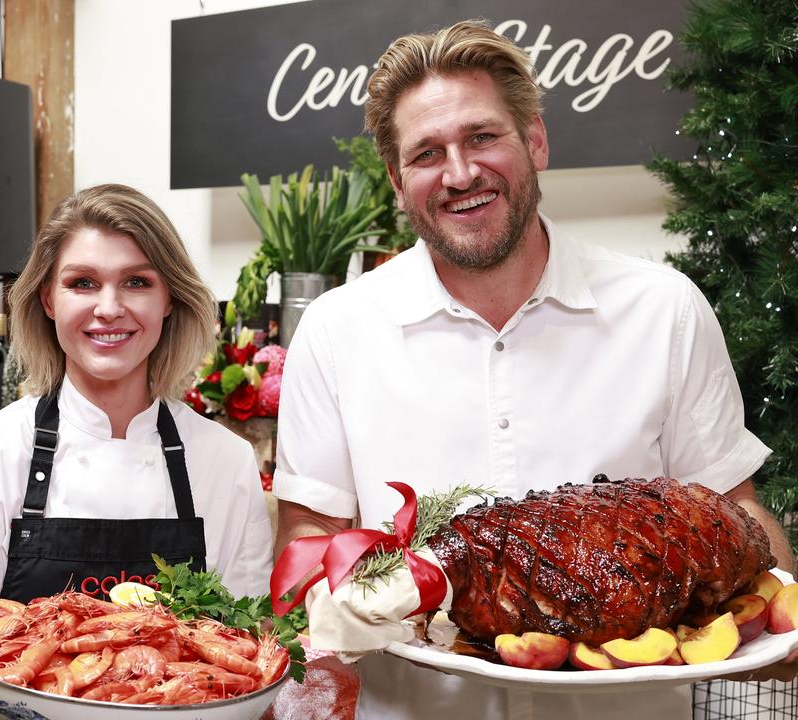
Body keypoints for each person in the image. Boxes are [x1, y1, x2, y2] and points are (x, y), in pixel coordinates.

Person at [273, 19, 795, 720]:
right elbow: (308, 540)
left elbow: (736, 508)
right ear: (398, 182)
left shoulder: (663, 310)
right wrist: (334, 623)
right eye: (428, 153)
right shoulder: (336, 332)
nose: (460, 174)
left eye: (482, 137)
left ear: (536, 141)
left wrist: (779, 616)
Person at [0, 183, 274, 719]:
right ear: (49, 299)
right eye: (82, 282)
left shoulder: (224, 461)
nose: (109, 308)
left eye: (137, 282)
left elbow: (243, 660)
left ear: (169, 299)